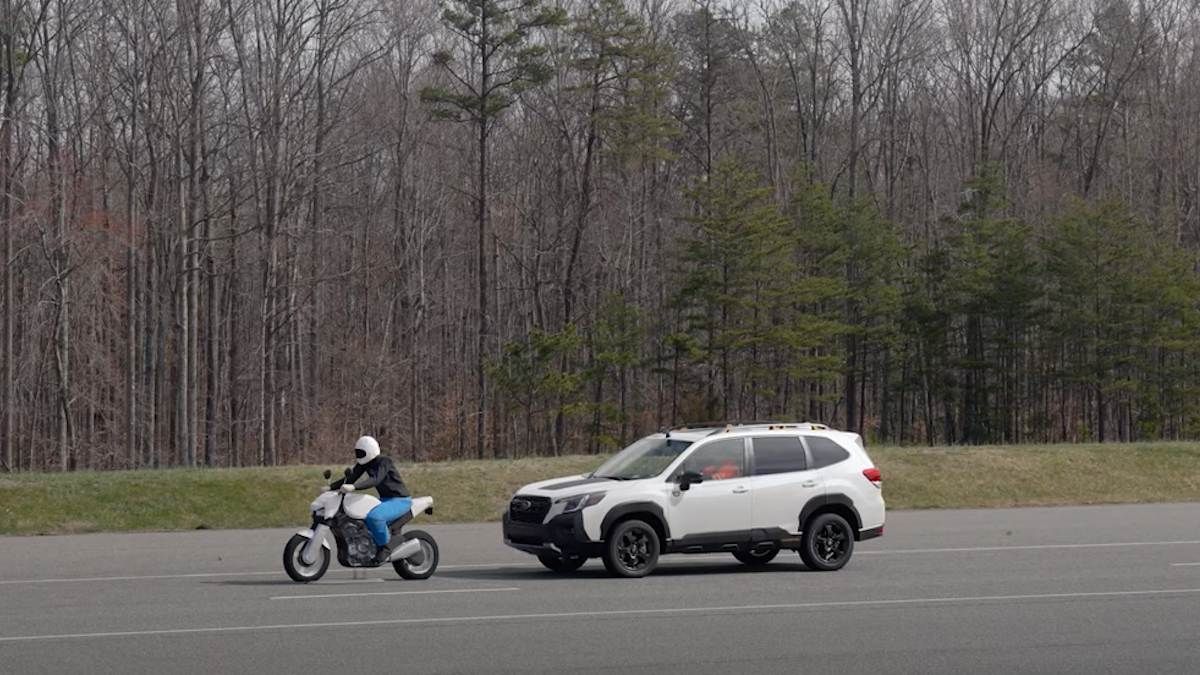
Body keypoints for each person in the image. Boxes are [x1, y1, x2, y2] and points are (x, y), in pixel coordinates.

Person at [336, 435, 412, 565]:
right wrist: (330, 488)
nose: (358, 455)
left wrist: (354, 487)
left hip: (400, 500)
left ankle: (385, 547)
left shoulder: (384, 461)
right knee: (360, 518)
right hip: (384, 500)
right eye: (357, 452)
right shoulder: (364, 464)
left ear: (370, 450)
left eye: (361, 452)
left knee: (375, 517)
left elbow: (376, 479)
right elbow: (350, 479)